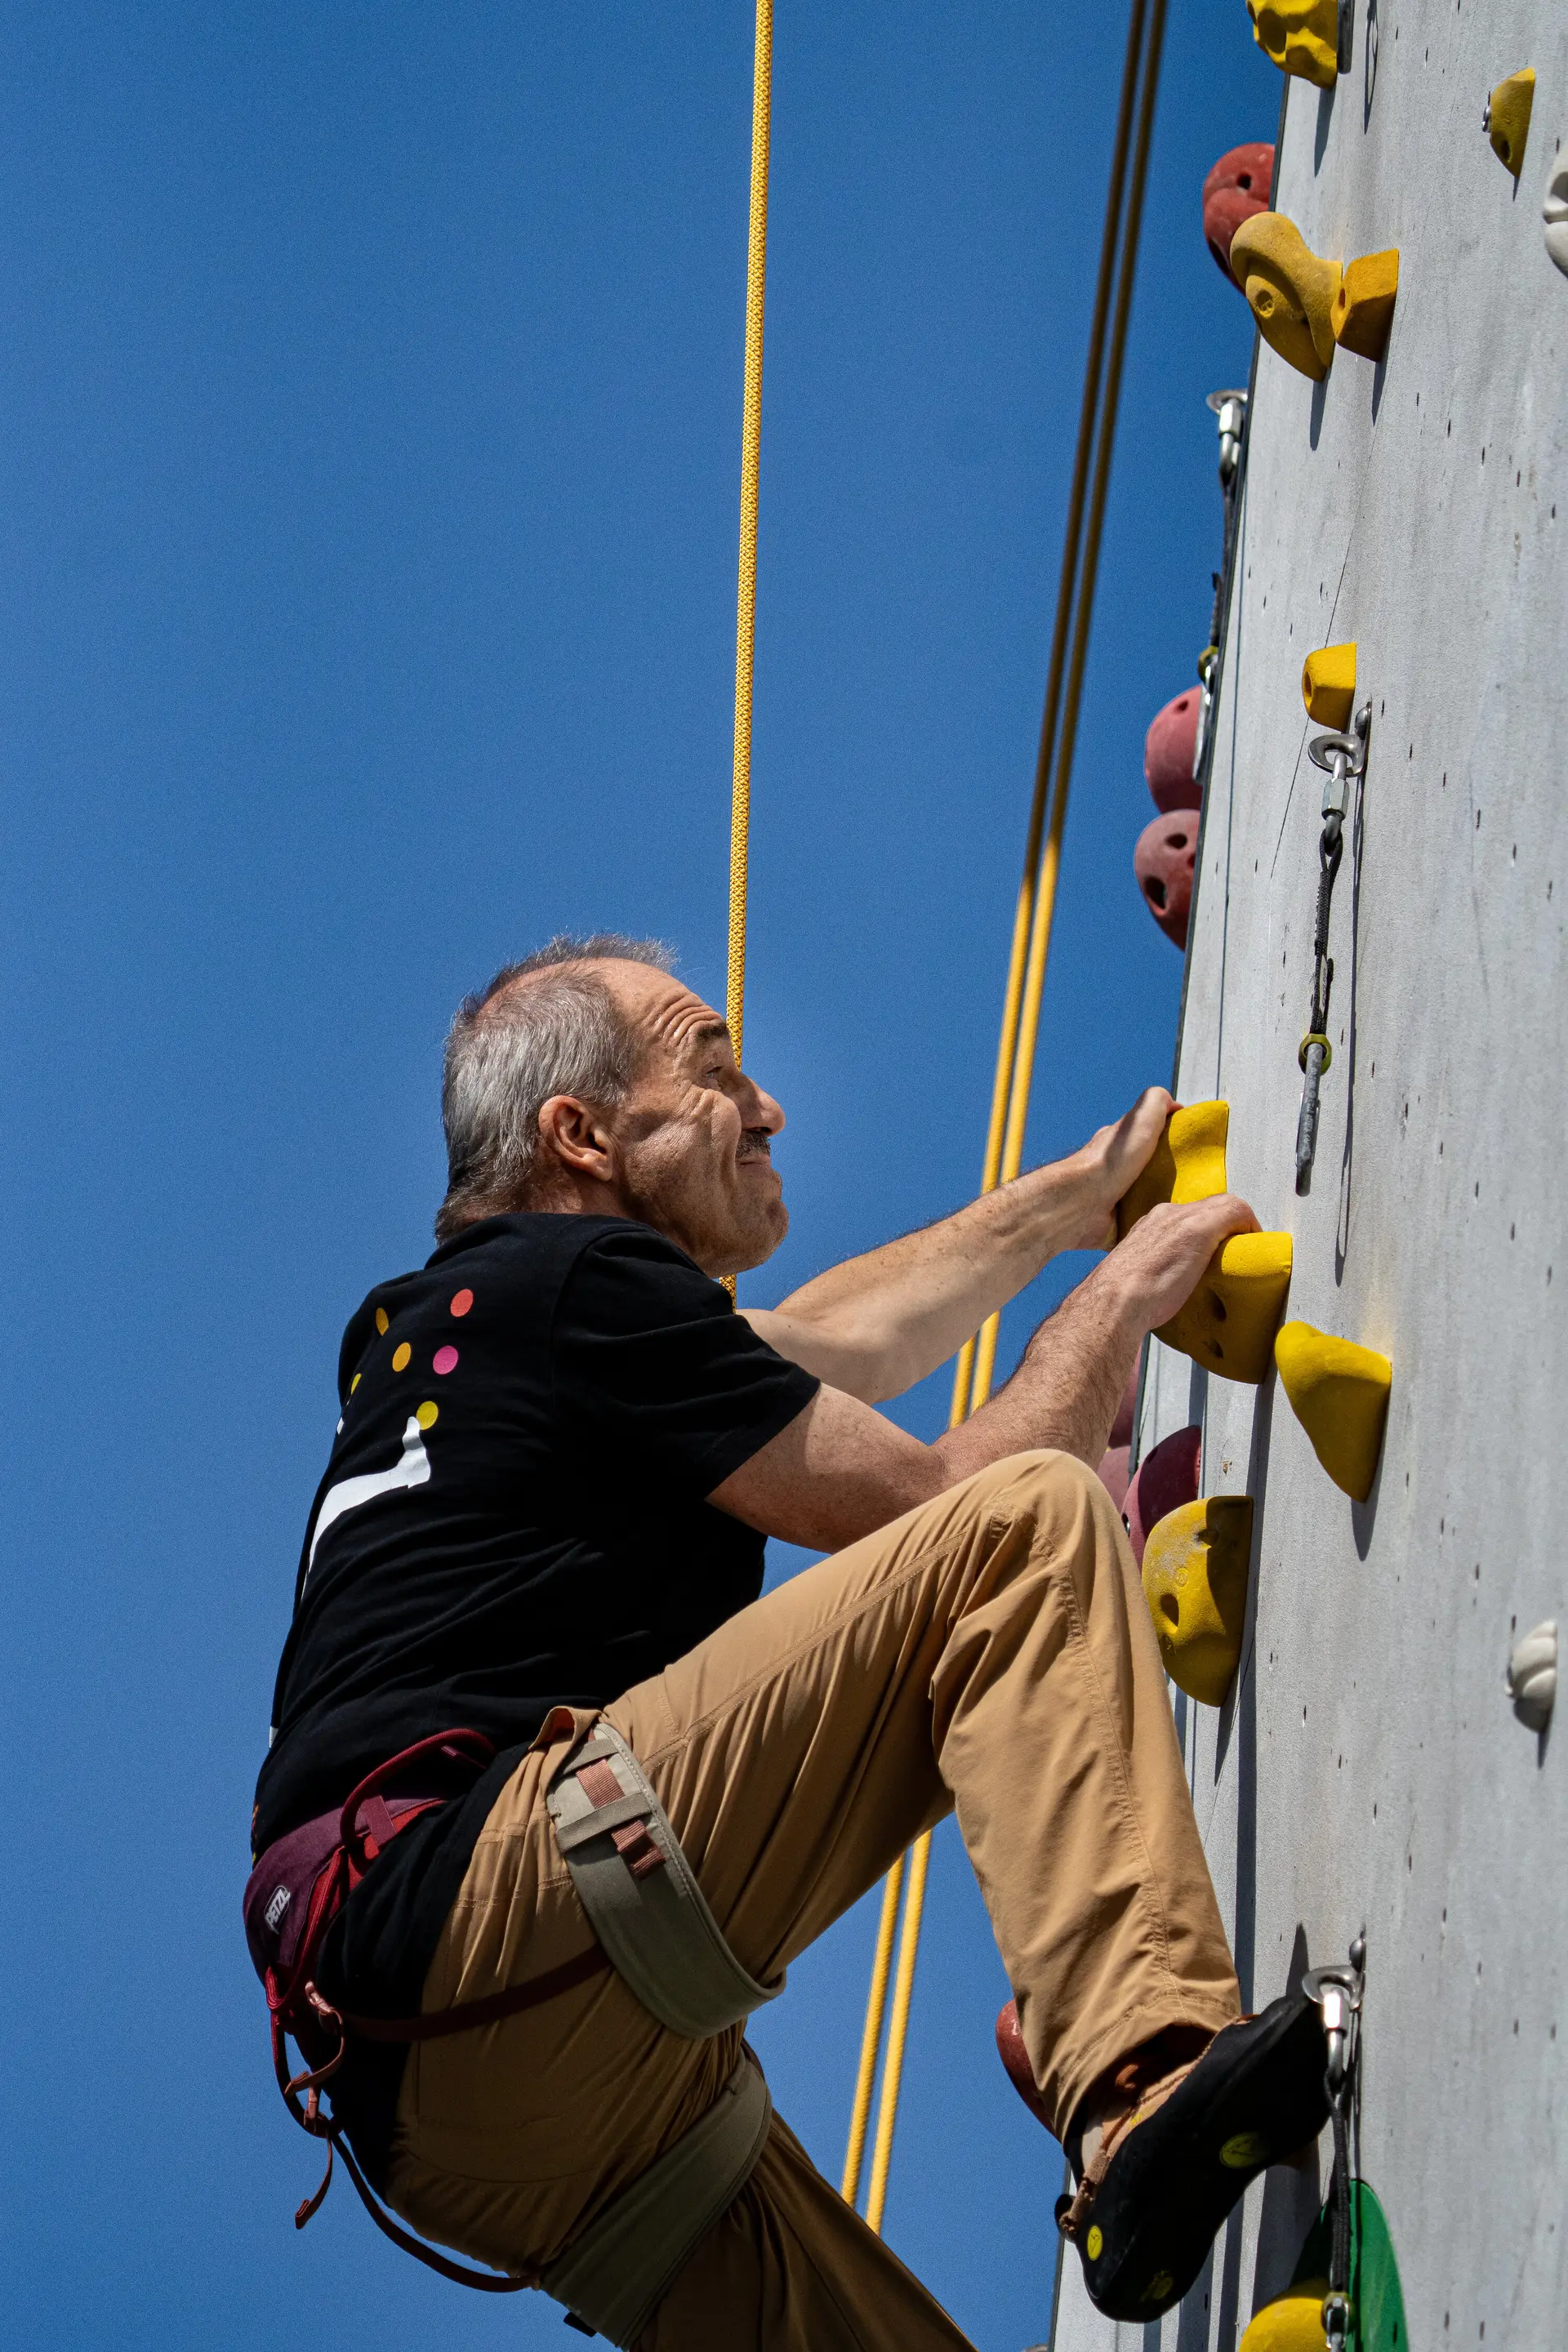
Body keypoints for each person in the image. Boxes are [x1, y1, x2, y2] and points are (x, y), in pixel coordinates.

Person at [248, 933, 1327, 2350]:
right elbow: (945, 1503)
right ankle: (1141, 2080)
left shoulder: (481, 1325)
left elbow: (829, 1341)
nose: (765, 1108)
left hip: (427, 2092)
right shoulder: (576, 1286)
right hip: (494, 1910)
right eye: (714, 1071)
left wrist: (1067, 1202)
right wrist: (1119, 1301)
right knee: (1019, 1530)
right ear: (581, 1136)